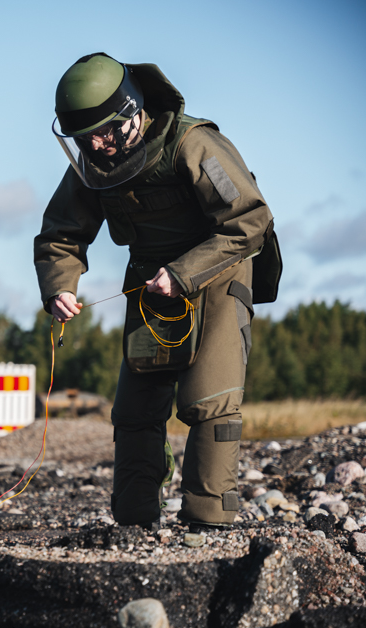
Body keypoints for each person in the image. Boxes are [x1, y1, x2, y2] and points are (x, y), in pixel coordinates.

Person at [35, 53, 282, 532]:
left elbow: (249, 222)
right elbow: (60, 236)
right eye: (85, 139)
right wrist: (59, 288)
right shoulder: (92, 166)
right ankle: (135, 520)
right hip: (149, 286)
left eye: (104, 133)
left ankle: (210, 522)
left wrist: (185, 272)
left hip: (217, 273)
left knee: (208, 400)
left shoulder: (194, 144)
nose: (97, 146)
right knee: (134, 410)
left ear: (131, 111)